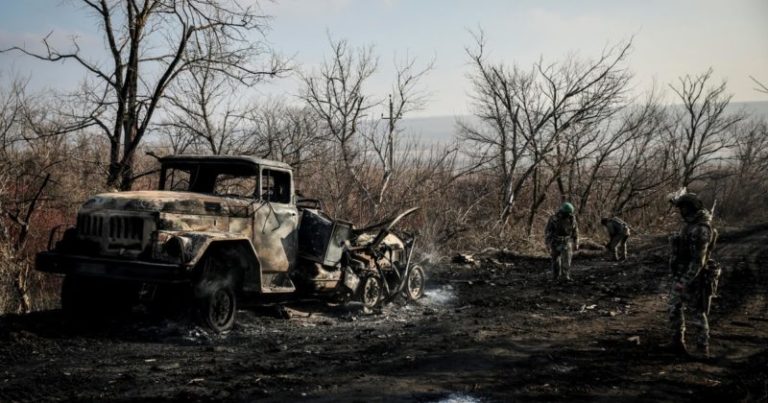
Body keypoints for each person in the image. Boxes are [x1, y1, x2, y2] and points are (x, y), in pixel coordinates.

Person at [667, 193, 719, 358]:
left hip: (694, 277)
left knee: (697, 312)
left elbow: (698, 261)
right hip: (681, 273)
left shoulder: (701, 229)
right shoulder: (690, 225)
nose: (681, 211)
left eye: (683, 207)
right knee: (674, 307)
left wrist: (684, 281)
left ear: (691, 208)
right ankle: (677, 343)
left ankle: (702, 348)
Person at [545, 202, 579, 281]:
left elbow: (575, 230)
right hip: (555, 241)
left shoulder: (572, 218)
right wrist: (547, 243)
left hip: (567, 241)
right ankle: (555, 277)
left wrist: (576, 242)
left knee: (567, 260)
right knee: (555, 261)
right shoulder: (554, 218)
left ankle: (565, 276)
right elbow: (548, 231)